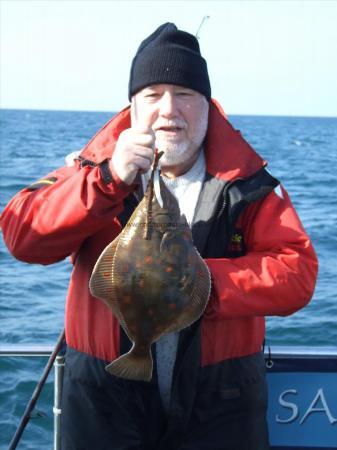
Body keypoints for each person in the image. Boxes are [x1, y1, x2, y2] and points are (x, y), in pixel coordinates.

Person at [0, 23, 318, 450]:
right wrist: (107, 180)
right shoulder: (90, 169)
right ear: (132, 107)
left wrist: (195, 287)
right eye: (152, 95)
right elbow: (22, 235)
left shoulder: (250, 185)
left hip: (220, 405)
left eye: (185, 94)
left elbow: (297, 272)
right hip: (104, 401)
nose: (169, 109)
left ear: (207, 105)